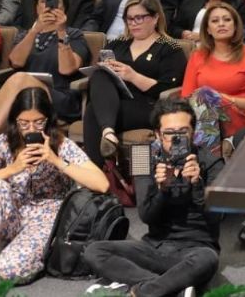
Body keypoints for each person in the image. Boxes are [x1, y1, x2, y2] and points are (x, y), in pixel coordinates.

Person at [0, 87, 108, 292]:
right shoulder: (4, 142)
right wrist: (13, 168)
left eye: (38, 122)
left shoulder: (61, 144)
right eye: (24, 123)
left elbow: (102, 184)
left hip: (47, 217)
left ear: (48, 119)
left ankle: (37, 251)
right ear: (15, 121)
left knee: (9, 270)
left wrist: (55, 160)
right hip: (13, 213)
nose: (31, 129)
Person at [83, 99, 222, 297]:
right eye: (169, 133)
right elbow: (146, 216)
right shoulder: (143, 156)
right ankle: (172, 287)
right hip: (154, 246)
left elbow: (217, 219)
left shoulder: (211, 160)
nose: (176, 138)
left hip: (196, 247)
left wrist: (197, 184)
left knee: (207, 260)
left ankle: (143, 291)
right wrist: (162, 190)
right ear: (158, 134)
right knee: (94, 251)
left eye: (183, 131)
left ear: (193, 132)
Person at [82, 0, 187, 167]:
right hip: (115, 103)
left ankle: (97, 175)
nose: (133, 23)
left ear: (155, 18)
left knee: (94, 111)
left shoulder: (171, 47)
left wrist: (133, 76)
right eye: (129, 19)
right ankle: (108, 134)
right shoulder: (118, 43)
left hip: (149, 106)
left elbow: (169, 89)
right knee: (100, 74)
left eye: (139, 18)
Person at [181, 2, 245, 152]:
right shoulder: (197, 56)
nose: (221, 24)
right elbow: (186, 97)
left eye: (227, 20)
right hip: (202, 115)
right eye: (215, 21)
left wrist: (222, 98)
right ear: (208, 29)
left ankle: (209, 159)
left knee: (205, 94)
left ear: (235, 26)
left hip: (239, 115)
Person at [8, 0, 90, 121]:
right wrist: (34, 31)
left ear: (64, 7)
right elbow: (16, 62)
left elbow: (67, 69)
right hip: (25, 96)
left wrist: (61, 31)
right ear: (36, 7)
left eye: (55, 0)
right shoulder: (25, 35)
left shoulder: (75, 35)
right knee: (19, 84)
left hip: (60, 98)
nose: (49, 6)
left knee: (19, 81)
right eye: (44, 1)